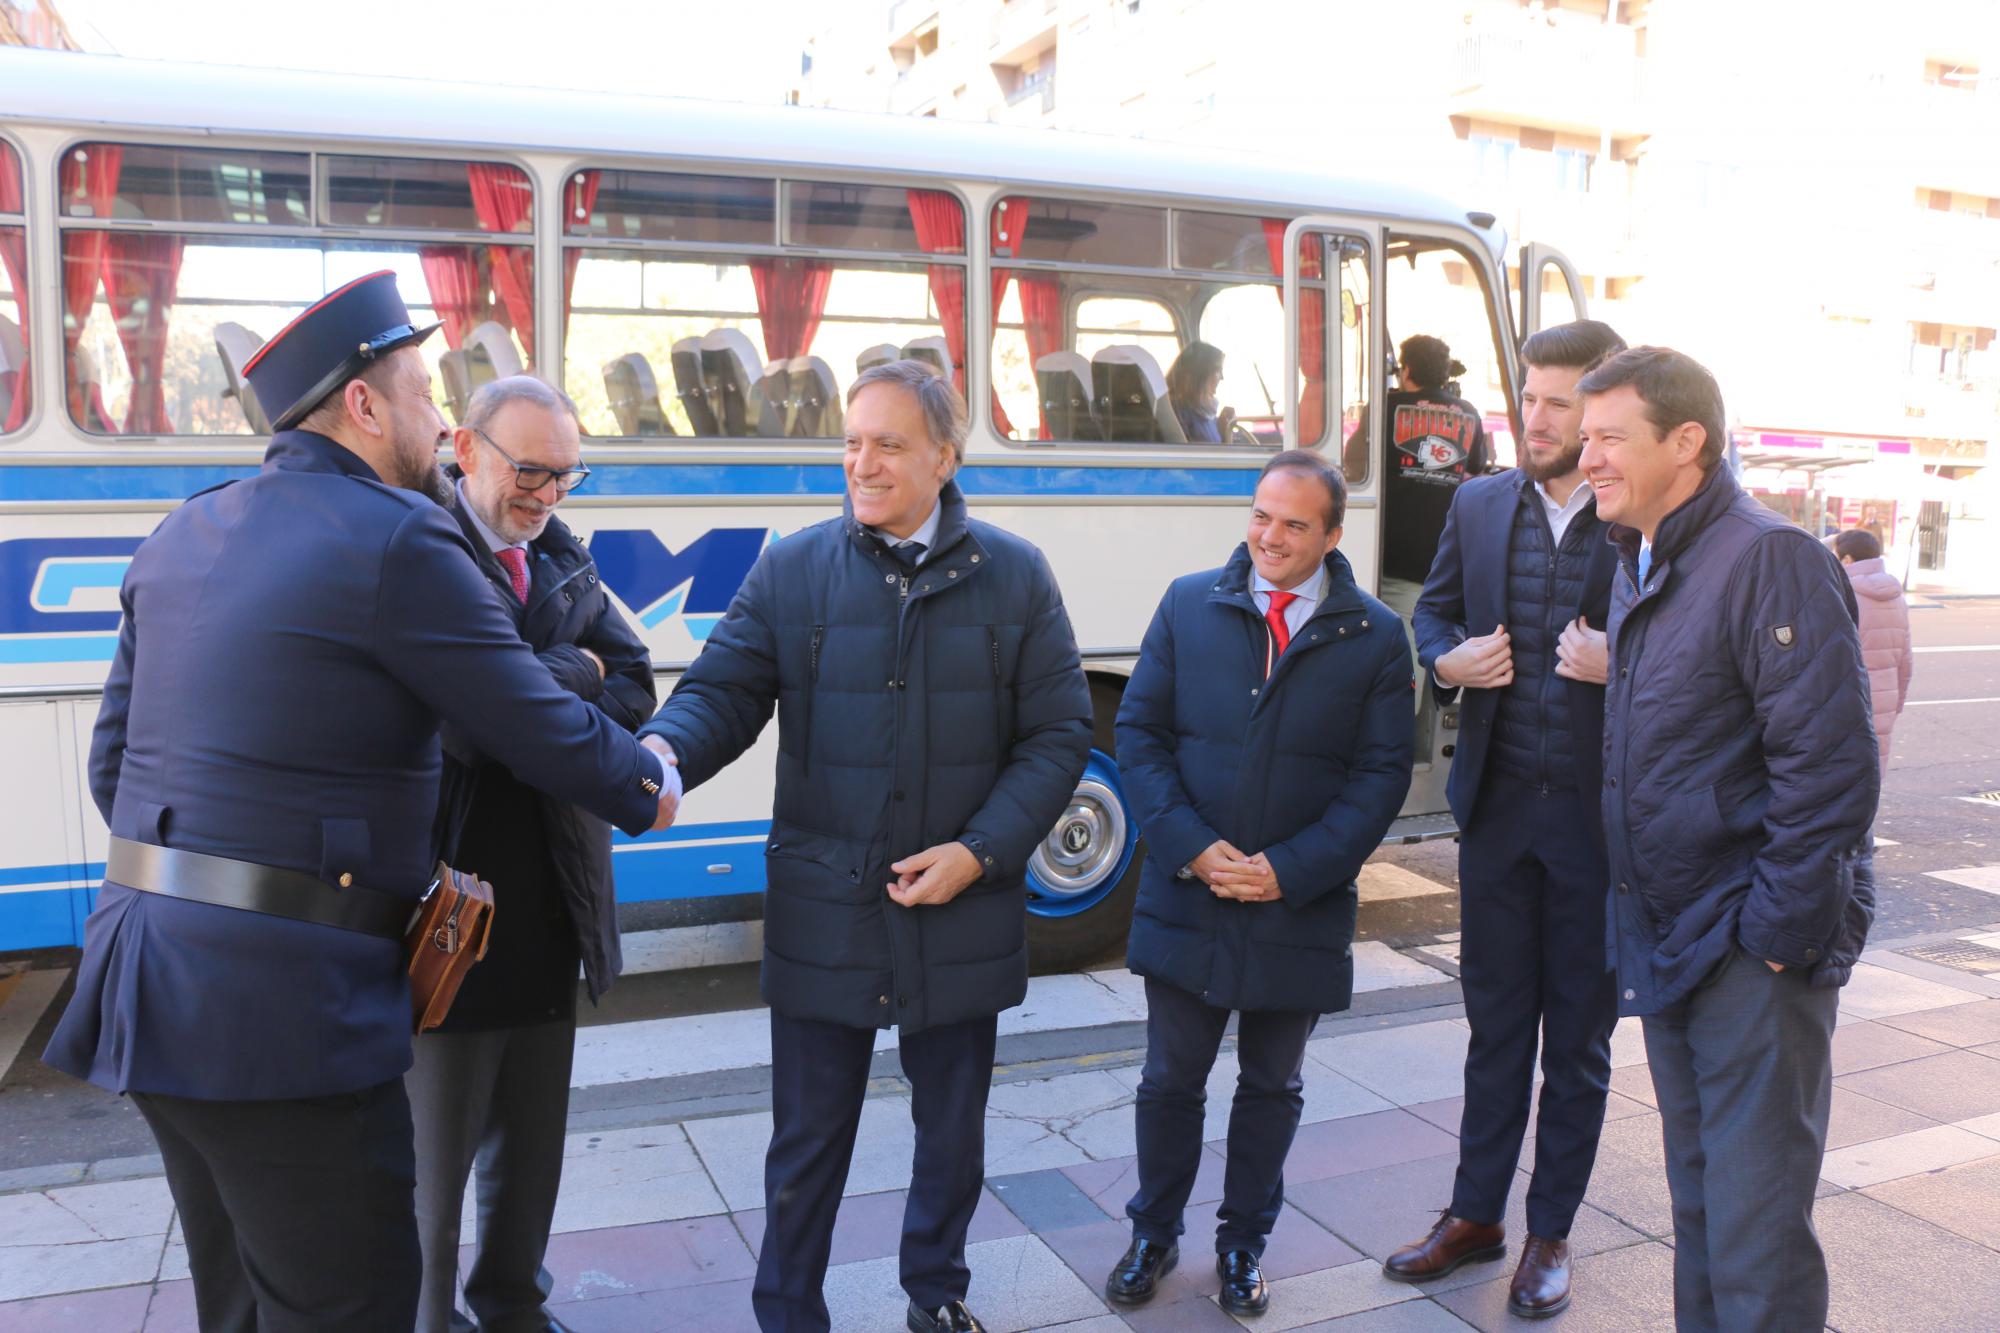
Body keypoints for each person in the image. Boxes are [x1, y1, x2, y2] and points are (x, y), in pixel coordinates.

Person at [40, 272, 679, 1333]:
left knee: (241, 1302)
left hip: (143, 984)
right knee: (353, 1304)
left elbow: (115, 770)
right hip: (282, 1018)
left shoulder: (183, 532)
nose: (440, 425)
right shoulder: (394, 536)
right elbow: (527, 716)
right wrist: (643, 785)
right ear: (364, 406)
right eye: (427, 397)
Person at [639, 360, 1092, 1333]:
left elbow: (1058, 735)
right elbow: (721, 692)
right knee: (806, 1137)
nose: (863, 461)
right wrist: (659, 756)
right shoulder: (792, 568)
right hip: (825, 904)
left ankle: (935, 1294)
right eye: (852, 442)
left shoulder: (1014, 575)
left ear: (943, 455)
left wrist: (978, 851)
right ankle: (786, 1310)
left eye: (887, 443)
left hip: (958, 906)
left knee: (951, 1131)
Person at [1581, 347, 1877, 1331]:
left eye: (1607, 437)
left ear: (1684, 441)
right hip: (1673, 941)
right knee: (1703, 1211)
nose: (1586, 458)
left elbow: (1828, 772)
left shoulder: (1766, 558)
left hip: (1747, 950)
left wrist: (1773, 939)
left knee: (1753, 1235)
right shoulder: (1648, 557)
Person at [1104, 449, 1415, 1318]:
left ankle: (1242, 1246)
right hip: (1190, 889)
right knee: (1170, 1080)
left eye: (1293, 524)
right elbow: (1140, 734)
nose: (1269, 537)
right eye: (1260, 515)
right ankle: (1152, 1234)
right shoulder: (1188, 601)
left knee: (1273, 1085)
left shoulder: (1378, 637)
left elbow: (1380, 775)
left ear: (1332, 534)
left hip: (1297, 902)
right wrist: (1195, 848)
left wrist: (1292, 868)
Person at [408, 376, 657, 1333]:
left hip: (552, 892)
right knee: (438, 1156)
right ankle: (433, 1321)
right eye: (531, 471)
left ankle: (512, 1305)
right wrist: (567, 675)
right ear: (464, 450)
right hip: (445, 904)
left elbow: (633, 675)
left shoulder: (559, 555)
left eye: (566, 475)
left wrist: (532, 686)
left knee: (534, 1142)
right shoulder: (420, 549)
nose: (549, 495)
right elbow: (466, 728)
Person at [1389, 319, 1626, 1317]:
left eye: (1557, 401)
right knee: (1493, 1030)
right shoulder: (1479, 503)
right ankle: (1471, 1213)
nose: (1533, 417)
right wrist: (1444, 661)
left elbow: (1695, 651)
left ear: (1600, 413)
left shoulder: (1639, 517)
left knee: (1574, 1040)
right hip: (1492, 812)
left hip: (1596, 827)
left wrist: (1624, 667)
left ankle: (1550, 1233)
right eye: (1526, 397)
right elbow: (1430, 615)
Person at [1378, 334, 1491, 620]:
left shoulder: (1385, 407)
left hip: (1390, 553)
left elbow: (1354, 464)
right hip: (1441, 552)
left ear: (1407, 370)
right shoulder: (1469, 412)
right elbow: (1477, 466)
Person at [1833, 528, 1913, 786]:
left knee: (1839, 775)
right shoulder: (1896, 596)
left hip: (1847, 697)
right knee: (1872, 773)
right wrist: (1896, 703)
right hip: (1885, 699)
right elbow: (1905, 660)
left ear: (1847, 560)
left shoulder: (1842, 593)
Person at [1165, 341, 1235, 443]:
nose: (1222, 377)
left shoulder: (1205, 414)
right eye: (1218, 370)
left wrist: (1224, 429)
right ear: (1198, 374)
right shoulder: (1178, 415)